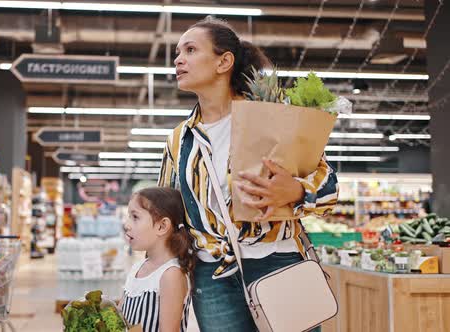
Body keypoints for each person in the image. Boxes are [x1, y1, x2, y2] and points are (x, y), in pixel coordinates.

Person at [158, 16, 339, 331]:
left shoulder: (272, 117)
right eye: (177, 52)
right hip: (211, 275)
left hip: (279, 262)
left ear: (223, 61)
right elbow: (168, 208)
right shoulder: (179, 139)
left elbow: (329, 188)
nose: (179, 59)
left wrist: (295, 192)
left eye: (190, 49)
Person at [121, 187, 194, 332]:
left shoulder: (171, 275)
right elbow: (120, 319)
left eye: (135, 217)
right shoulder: (137, 267)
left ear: (162, 226)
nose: (126, 225)